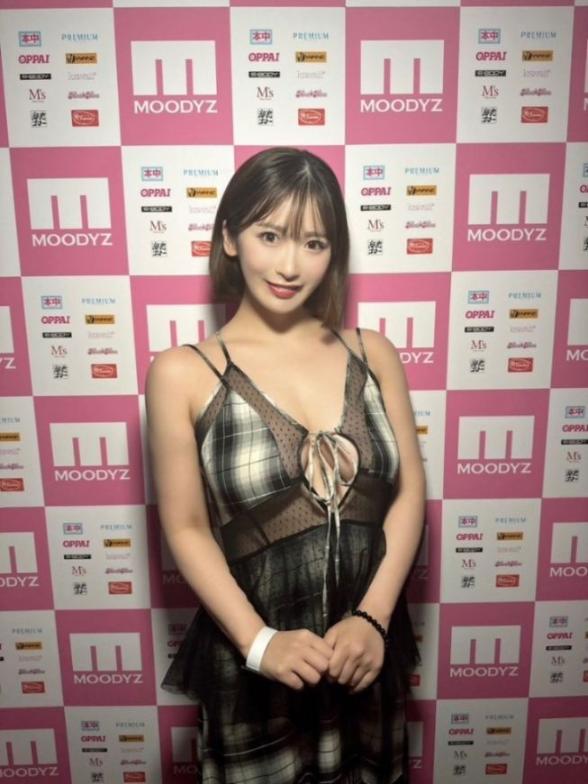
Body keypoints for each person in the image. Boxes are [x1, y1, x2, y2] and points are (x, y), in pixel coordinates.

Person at [145, 146, 426, 784]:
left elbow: (409, 493)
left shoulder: (373, 353)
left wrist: (373, 618)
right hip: (257, 674)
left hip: (364, 662)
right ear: (230, 238)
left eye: (314, 243)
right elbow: (186, 526)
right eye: (270, 236)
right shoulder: (183, 372)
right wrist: (259, 642)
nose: (291, 265)